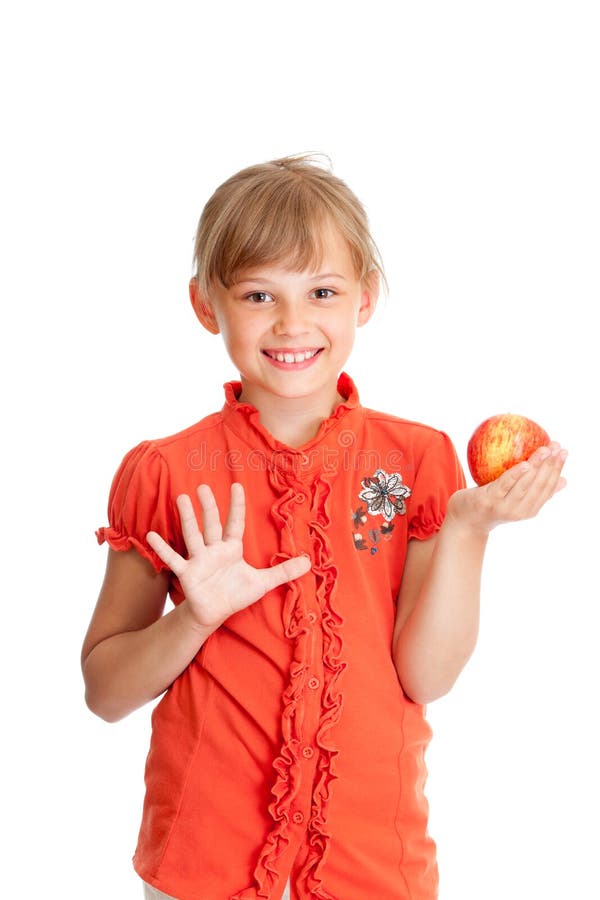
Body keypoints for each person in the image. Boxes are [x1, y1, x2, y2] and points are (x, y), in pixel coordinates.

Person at [82, 154, 567, 900]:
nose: (292, 323)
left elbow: (426, 676)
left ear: (364, 300)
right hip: (203, 866)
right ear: (206, 305)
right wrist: (195, 621)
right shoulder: (164, 471)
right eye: (256, 294)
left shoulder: (416, 459)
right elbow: (105, 693)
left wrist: (470, 529)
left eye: (322, 291)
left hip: (374, 863)